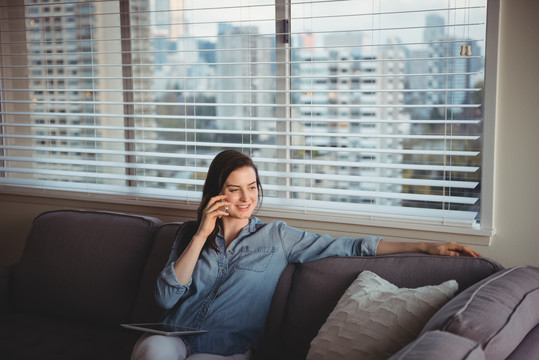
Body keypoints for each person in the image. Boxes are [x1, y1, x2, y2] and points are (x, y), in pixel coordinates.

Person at [131, 150, 481, 360]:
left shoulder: (279, 237)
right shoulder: (188, 235)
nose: (245, 199)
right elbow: (164, 299)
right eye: (233, 190)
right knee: (152, 350)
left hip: (224, 350)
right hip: (174, 338)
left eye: (251, 188)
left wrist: (424, 246)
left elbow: (350, 245)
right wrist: (202, 234)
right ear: (216, 194)